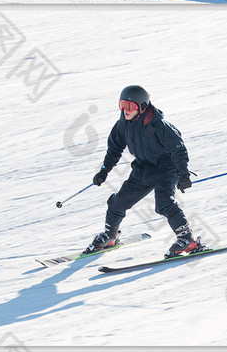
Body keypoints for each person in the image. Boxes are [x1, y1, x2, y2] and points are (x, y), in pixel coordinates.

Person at [85, 84, 203, 258]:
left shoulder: (160, 126)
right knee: (118, 202)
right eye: (122, 105)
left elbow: (178, 149)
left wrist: (183, 173)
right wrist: (104, 170)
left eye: (129, 106)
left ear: (141, 106)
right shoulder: (123, 125)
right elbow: (114, 149)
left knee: (164, 203)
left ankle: (187, 239)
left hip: (166, 169)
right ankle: (110, 236)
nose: (125, 110)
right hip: (143, 169)